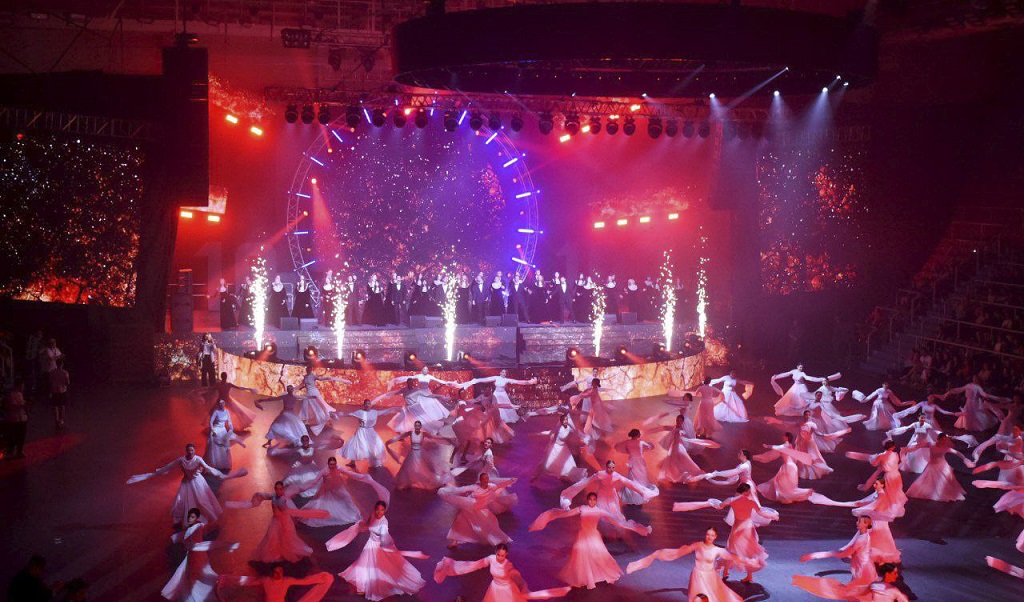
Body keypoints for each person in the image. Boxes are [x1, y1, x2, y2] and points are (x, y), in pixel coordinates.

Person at [529, 492, 651, 589]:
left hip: (593, 536)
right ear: (587, 500)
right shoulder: (582, 508)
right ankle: (584, 577)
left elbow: (615, 521)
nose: (592, 501)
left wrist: (630, 526)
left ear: (596, 500)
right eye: (590, 499)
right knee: (581, 556)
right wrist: (552, 515)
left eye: (594, 499)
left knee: (600, 556)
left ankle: (599, 574)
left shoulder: (599, 510)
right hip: (583, 535)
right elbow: (567, 514)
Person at [672, 484, 779, 583]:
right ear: (746, 491)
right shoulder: (751, 502)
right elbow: (761, 513)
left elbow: (720, 506)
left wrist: (711, 502)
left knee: (731, 549)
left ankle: (726, 571)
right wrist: (772, 516)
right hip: (748, 528)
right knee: (748, 550)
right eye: (749, 491)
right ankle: (748, 575)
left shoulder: (731, 500)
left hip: (737, 527)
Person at [325, 501, 429, 600]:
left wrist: (388, 547)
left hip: (380, 546)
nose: (379, 512)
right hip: (370, 543)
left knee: (378, 567)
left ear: (385, 510)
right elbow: (367, 527)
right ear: (375, 510)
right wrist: (360, 526)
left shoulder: (384, 524)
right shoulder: (372, 515)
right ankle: (362, 586)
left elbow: (385, 538)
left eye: (382, 510)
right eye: (378, 510)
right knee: (363, 564)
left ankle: (367, 586)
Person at [127, 442, 246, 525]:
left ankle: (202, 516)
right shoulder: (181, 460)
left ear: (194, 451)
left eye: (192, 450)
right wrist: (156, 473)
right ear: (186, 451)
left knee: (201, 500)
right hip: (186, 483)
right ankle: (182, 518)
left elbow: (208, 468)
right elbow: (169, 466)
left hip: (197, 482)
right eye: (188, 450)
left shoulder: (198, 459)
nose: (190, 452)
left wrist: (219, 474)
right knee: (180, 500)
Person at [626, 526, 744, 602]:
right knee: (699, 598)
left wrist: (748, 561)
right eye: (708, 534)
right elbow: (681, 552)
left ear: (715, 537)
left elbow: (731, 557)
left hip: (710, 577)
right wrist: (660, 554)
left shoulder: (717, 550)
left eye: (712, 535)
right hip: (697, 576)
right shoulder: (698, 545)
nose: (709, 537)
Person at [231, 481, 329, 563]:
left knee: (285, 538)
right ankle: (277, 553)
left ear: (283, 489)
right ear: (275, 489)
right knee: (272, 537)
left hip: (284, 522)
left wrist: (313, 514)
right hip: (275, 521)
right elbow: (266, 496)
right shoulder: (274, 496)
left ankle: (284, 552)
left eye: (280, 489)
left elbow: (287, 511)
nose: (279, 491)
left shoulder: (282, 501)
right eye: (277, 489)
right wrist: (259, 495)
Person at [434, 543, 572, 601]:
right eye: (498, 555)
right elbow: (476, 565)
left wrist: (523, 587)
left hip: (507, 590)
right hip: (495, 588)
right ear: (496, 553)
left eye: (503, 555)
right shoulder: (491, 558)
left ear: (506, 555)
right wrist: (454, 566)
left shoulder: (507, 565)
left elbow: (516, 576)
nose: (500, 557)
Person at [560, 460, 657, 538]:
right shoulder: (601, 474)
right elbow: (587, 481)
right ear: (606, 467)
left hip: (611, 496)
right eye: (609, 467)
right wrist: (572, 491)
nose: (611, 469)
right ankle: (604, 533)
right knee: (603, 514)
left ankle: (614, 533)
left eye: (612, 467)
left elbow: (630, 484)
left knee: (614, 513)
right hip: (602, 496)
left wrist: (642, 492)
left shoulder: (617, 475)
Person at [160, 508, 238, 601]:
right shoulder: (194, 528)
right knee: (193, 574)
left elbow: (199, 543)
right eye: (189, 517)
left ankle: (196, 592)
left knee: (195, 574)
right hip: (194, 556)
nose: (189, 519)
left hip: (196, 555)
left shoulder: (197, 527)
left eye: (192, 517)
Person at [793, 516, 879, 600]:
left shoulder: (861, 539)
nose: (857, 523)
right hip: (862, 566)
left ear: (866, 524)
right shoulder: (863, 536)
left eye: (859, 521)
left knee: (854, 592)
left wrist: (816, 555)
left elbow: (845, 553)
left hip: (863, 568)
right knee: (859, 593)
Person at [298, 456, 390, 527]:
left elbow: (349, 473)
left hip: (339, 488)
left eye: (334, 464)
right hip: (328, 490)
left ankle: (354, 514)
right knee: (321, 503)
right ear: (328, 464)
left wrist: (364, 477)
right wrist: (304, 488)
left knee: (348, 499)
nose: (332, 466)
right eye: (331, 464)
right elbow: (314, 481)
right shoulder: (324, 471)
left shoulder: (338, 468)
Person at [438, 473, 518, 548]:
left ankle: (492, 538)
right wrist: (447, 491)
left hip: (480, 508)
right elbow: (461, 490)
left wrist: (510, 480)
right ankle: (454, 542)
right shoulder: (474, 487)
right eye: (484, 479)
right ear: (480, 480)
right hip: (470, 506)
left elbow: (500, 485)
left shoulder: (491, 486)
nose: (486, 480)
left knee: (487, 523)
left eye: (487, 478)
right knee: (460, 521)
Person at [904, 433, 974, 502]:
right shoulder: (931, 444)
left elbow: (957, 453)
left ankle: (942, 491)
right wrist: (908, 449)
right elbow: (919, 446)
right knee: (929, 480)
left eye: (945, 440)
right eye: (942, 440)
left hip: (943, 466)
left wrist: (965, 459)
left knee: (944, 481)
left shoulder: (946, 448)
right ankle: (933, 491)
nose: (944, 442)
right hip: (932, 465)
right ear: (938, 439)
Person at [387, 420, 454, 490]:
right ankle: (407, 481)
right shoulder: (410, 433)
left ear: (420, 426)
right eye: (416, 426)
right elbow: (400, 437)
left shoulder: (423, 434)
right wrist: (391, 441)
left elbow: (434, 437)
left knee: (426, 467)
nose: (417, 427)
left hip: (420, 452)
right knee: (407, 467)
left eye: (418, 426)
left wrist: (446, 438)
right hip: (412, 452)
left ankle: (429, 480)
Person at [337, 398, 402, 469]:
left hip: (370, 431)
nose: (367, 405)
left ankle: (374, 463)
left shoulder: (374, 412)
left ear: (370, 405)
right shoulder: (360, 412)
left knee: (373, 446)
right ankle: (352, 462)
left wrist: (394, 409)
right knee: (356, 445)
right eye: (366, 404)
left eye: (369, 403)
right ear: (364, 405)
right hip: (361, 431)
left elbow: (385, 411)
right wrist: (338, 414)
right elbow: (349, 414)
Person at [219, 565, 335, 602]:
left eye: (280, 572)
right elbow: (249, 581)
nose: (278, 574)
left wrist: (320, 578)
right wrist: (230, 579)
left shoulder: (286, 580)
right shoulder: (266, 580)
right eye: (275, 572)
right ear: (272, 572)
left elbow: (304, 581)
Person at [461, 370, 538, 424]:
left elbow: (518, 382)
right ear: (500, 373)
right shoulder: (496, 378)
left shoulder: (506, 380)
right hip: (496, 394)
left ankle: (506, 418)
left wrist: (529, 382)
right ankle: (496, 419)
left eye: (505, 372)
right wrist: (474, 381)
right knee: (496, 406)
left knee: (506, 407)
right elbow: (484, 380)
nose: (504, 373)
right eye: (503, 372)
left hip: (503, 395)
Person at [614, 429, 657, 505]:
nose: (640, 435)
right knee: (640, 478)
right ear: (637, 435)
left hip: (633, 462)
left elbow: (617, 446)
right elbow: (651, 446)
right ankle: (639, 495)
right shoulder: (641, 442)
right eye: (639, 434)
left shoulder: (627, 442)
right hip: (639, 462)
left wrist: (629, 451)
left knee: (633, 478)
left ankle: (634, 495)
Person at [204, 399, 245, 472]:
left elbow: (229, 421)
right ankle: (214, 464)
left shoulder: (226, 412)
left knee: (224, 447)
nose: (221, 405)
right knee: (216, 447)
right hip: (216, 430)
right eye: (220, 404)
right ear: (218, 405)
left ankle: (223, 464)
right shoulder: (216, 412)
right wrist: (213, 430)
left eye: (222, 403)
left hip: (223, 430)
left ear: (224, 404)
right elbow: (211, 421)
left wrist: (231, 427)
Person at [3, 380, 29, 460]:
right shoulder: (11, 395)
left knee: (21, 436)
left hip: (22, 418)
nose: (23, 387)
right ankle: (11, 452)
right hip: (14, 419)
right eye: (22, 386)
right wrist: (22, 405)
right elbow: (12, 406)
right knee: (13, 436)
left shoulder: (20, 394)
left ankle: (19, 451)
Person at [49, 357, 70, 429]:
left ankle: (56, 420)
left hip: (54, 391)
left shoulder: (52, 372)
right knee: (62, 406)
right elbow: (67, 383)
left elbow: (50, 382)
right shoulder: (65, 373)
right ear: (62, 364)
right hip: (62, 391)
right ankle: (61, 420)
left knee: (55, 406)